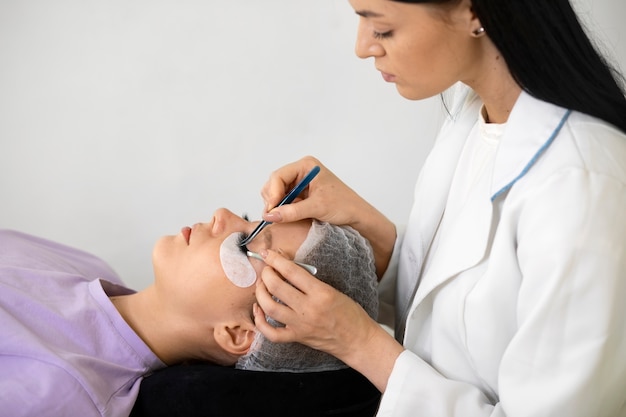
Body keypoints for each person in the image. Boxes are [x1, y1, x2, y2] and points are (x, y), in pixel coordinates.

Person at [249, 0, 626, 416]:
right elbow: (452, 297)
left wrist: (357, 341)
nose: (362, 47)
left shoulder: (582, 186)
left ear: (476, 12)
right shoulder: (473, 115)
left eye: (383, 28)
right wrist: (368, 226)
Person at [0, 208, 379, 417]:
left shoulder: (63, 395)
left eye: (245, 242)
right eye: (249, 215)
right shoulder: (87, 266)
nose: (222, 215)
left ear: (238, 334)